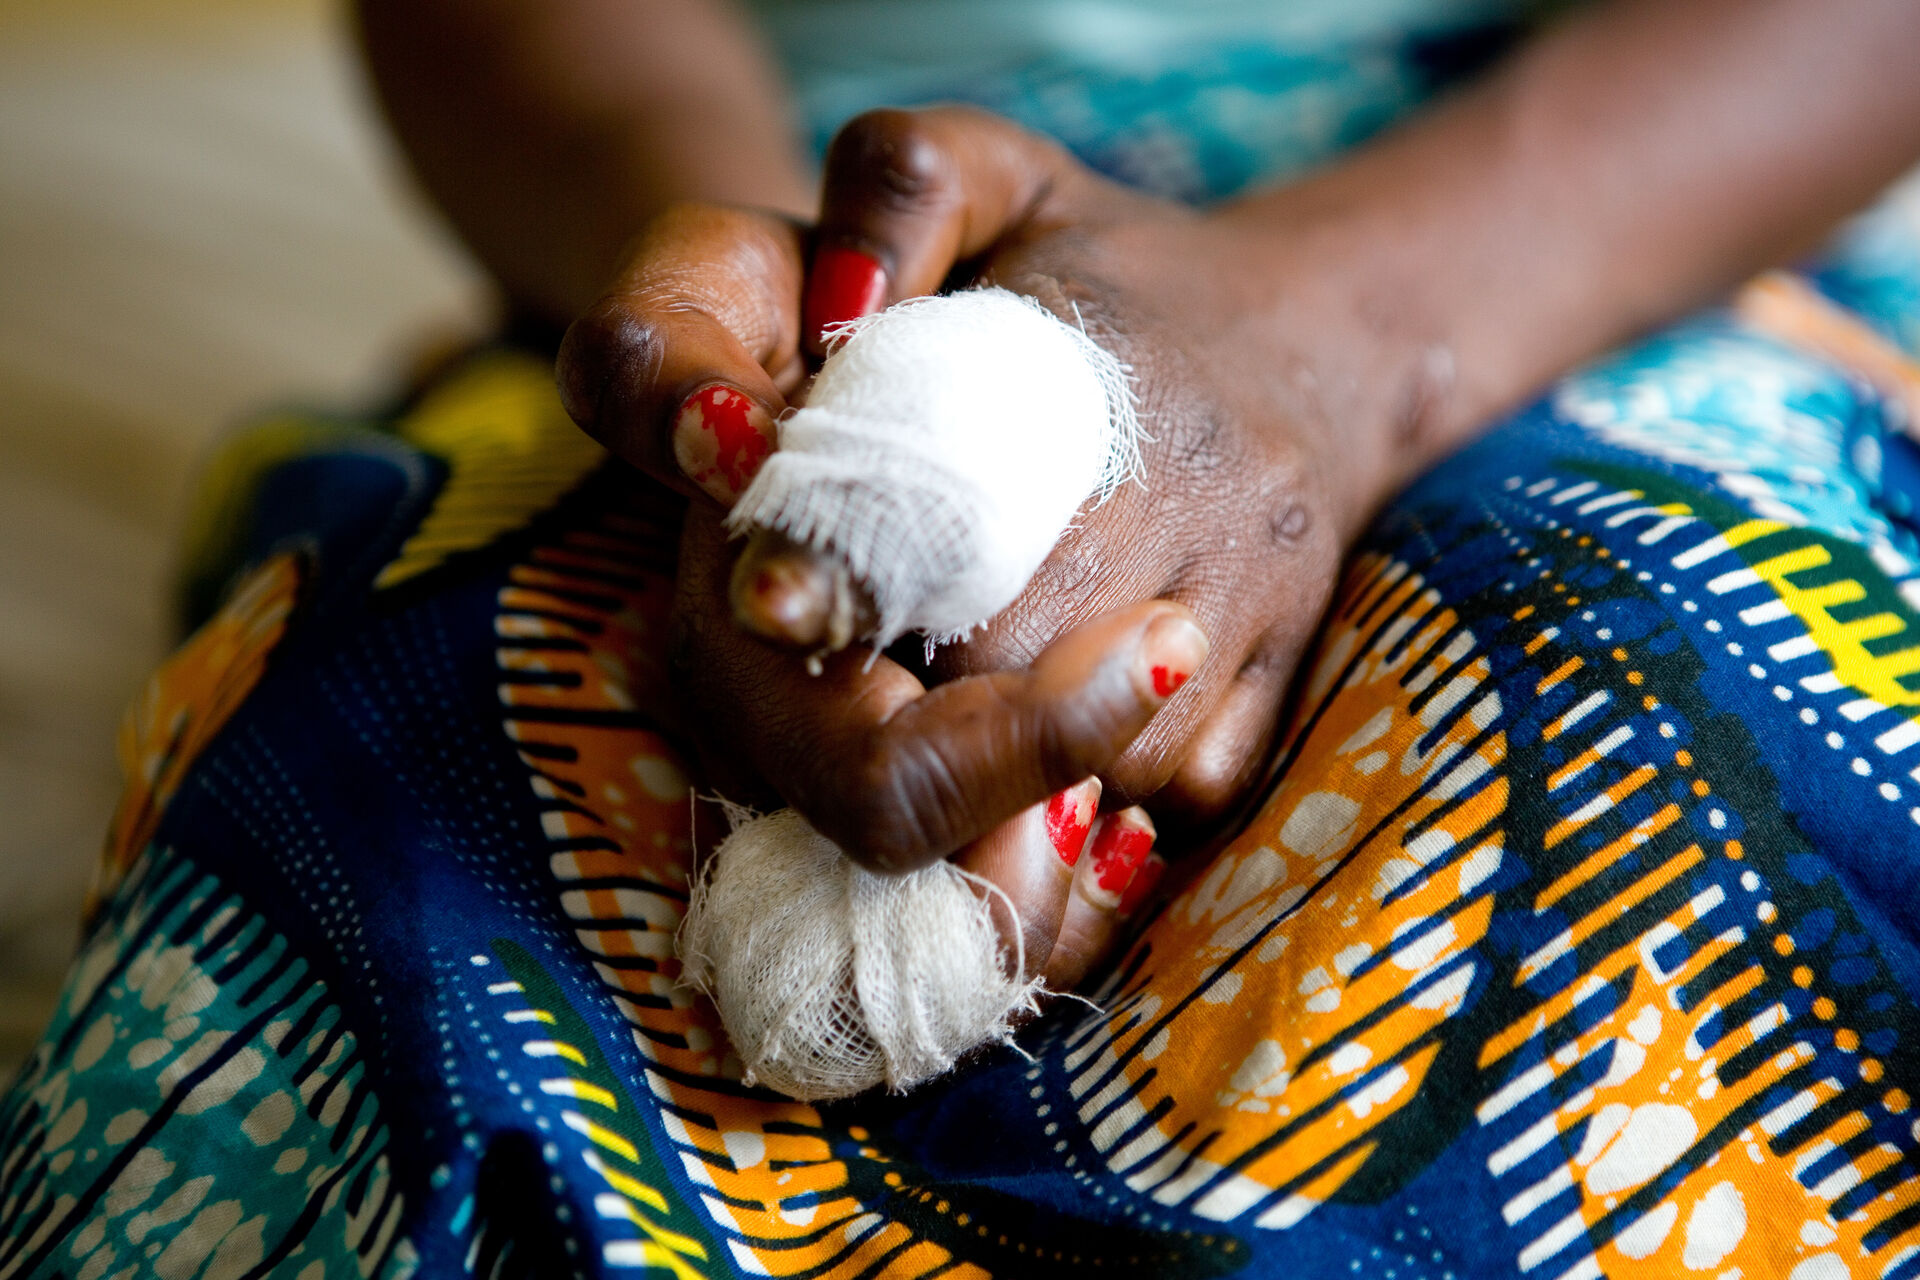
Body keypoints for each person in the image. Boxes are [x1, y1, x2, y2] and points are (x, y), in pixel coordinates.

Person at [7, 1, 1920, 1276]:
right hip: (764, 189)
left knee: (1651, 721)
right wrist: (731, 295)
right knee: (415, 774)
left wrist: (1344, 340)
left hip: (1590, 210)